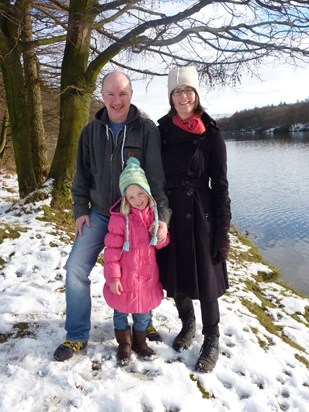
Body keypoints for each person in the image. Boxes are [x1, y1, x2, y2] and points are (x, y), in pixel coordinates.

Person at [53, 71, 171, 362]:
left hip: (137, 217)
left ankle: (145, 321)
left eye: (122, 94)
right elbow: (80, 176)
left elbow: (156, 179)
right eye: (110, 94)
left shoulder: (146, 130)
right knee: (75, 269)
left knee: (143, 267)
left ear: (131, 95)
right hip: (99, 214)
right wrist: (80, 210)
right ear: (102, 95)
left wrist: (163, 216)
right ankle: (77, 335)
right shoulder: (91, 131)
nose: (116, 101)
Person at [156, 66, 231, 373]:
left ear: (196, 94)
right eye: (177, 92)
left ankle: (211, 338)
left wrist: (222, 232)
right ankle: (188, 323)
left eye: (187, 91)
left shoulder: (211, 133)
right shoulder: (161, 130)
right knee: (176, 274)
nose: (183, 96)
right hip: (171, 212)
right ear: (171, 98)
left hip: (202, 214)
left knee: (208, 280)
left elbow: (221, 185)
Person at [103, 157, 170, 366]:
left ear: (147, 192)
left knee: (142, 314)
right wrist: (113, 277)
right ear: (125, 199)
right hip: (124, 277)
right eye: (131, 196)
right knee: (120, 312)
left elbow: (162, 245)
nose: (137, 199)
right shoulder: (119, 219)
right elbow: (112, 251)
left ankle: (140, 343)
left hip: (146, 278)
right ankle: (124, 344)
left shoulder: (154, 216)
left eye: (140, 193)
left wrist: (159, 235)